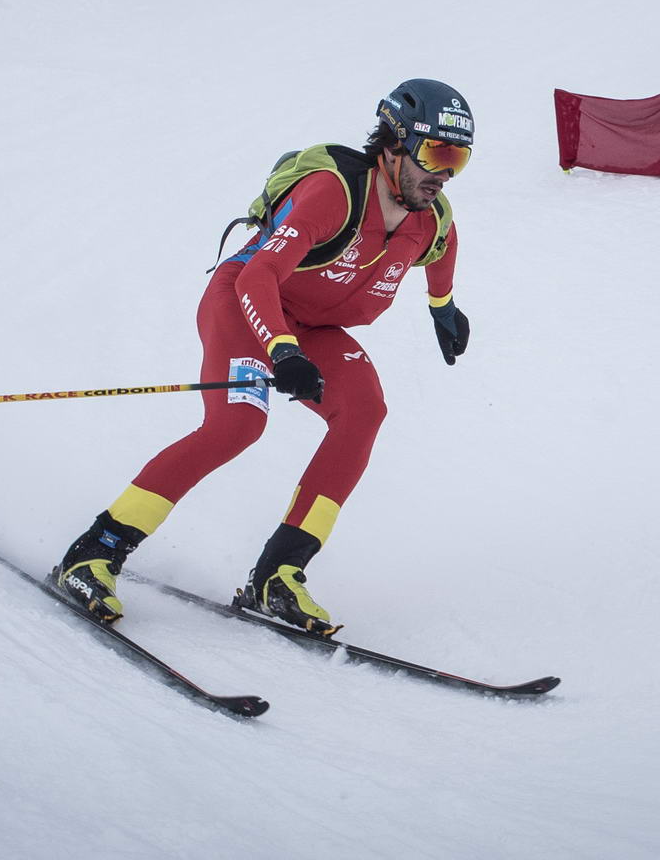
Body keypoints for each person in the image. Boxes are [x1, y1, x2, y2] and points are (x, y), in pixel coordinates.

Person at [52, 79, 475, 635]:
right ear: (394, 145)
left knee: (365, 411)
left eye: (459, 160)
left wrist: (443, 307)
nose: (444, 175)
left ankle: (278, 575)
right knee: (237, 425)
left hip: (314, 325)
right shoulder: (334, 193)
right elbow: (259, 275)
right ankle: (95, 551)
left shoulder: (430, 217)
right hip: (247, 304)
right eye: (437, 155)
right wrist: (282, 350)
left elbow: (443, 252)